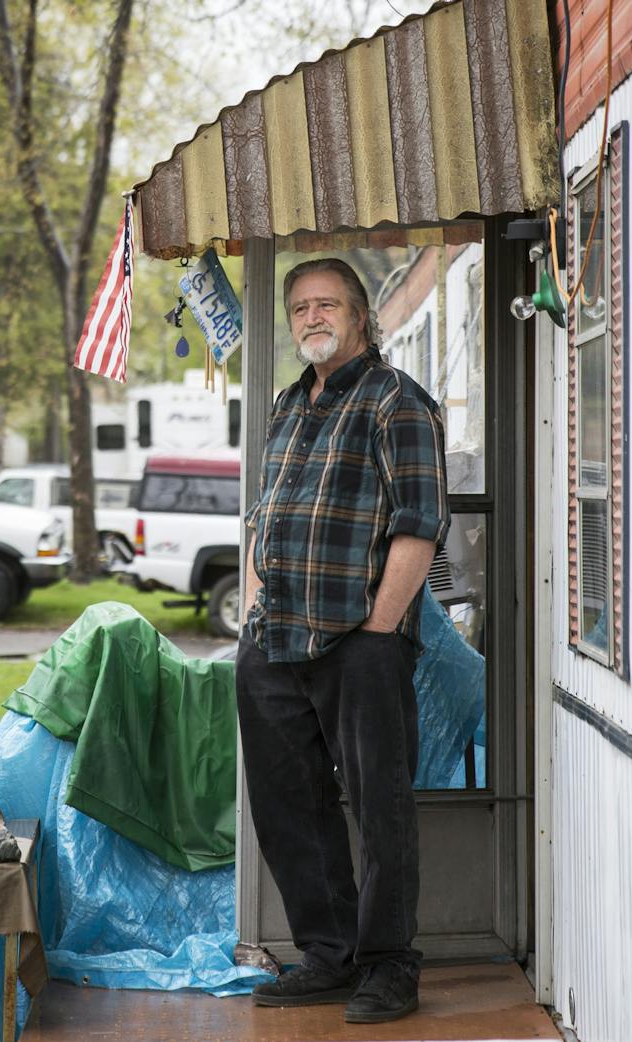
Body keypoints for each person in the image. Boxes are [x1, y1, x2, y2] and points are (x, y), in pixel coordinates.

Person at [236, 257, 449, 1024]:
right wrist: (253, 617)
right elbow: (265, 517)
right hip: (275, 642)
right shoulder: (289, 406)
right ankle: (328, 955)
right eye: (299, 308)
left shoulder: (399, 404)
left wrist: (377, 630)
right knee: (289, 803)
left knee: (379, 804)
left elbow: (420, 526)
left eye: (327, 304)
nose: (311, 318)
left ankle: (390, 965)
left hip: (360, 642)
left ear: (360, 315)